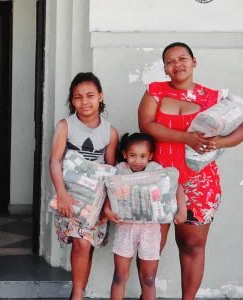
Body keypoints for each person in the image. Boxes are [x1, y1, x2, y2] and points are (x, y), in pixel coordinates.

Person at [138, 42, 243, 300]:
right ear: (165, 69)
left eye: (182, 58)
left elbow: (242, 130)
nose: (177, 64)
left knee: (192, 246)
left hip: (200, 183)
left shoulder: (214, 97)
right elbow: (146, 125)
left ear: (194, 61)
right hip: (159, 180)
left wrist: (216, 142)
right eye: (170, 61)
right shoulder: (154, 92)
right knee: (150, 247)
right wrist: (186, 138)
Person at [49, 72, 119, 300]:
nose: (84, 101)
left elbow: (111, 171)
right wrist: (62, 195)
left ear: (100, 96)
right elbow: (55, 161)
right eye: (78, 97)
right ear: (72, 101)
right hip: (71, 197)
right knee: (80, 244)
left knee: (85, 246)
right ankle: (78, 294)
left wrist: (107, 204)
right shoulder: (65, 126)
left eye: (90, 95)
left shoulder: (110, 132)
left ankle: (78, 291)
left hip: (96, 201)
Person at [108, 133, 187, 300]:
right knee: (119, 276)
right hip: (125, 229)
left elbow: (176, 185)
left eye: (143, 156)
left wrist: (182, 210)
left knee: (149, 279)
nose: (137, 161)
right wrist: (107, 210)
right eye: (133, 155)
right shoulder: (119, 170)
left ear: (150, 156)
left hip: (150, 231)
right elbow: (109, 191)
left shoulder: (156, 170)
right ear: (125, 155)